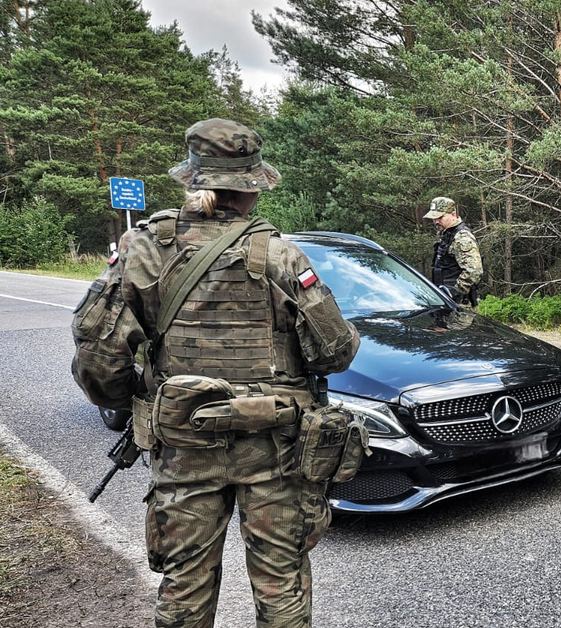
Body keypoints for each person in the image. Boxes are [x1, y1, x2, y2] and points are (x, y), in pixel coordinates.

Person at [71, 118, 360, 628]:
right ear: (251, 189)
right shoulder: (281, 254)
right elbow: (334, 352)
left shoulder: (143, 248)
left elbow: (98, 349)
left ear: (193, 179)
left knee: (183, 583)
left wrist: (138, 402)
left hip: (185, 446)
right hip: (276, 448)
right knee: (281, 581)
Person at [424, 196, 483, 307]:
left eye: (440, 217)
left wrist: (455, 292)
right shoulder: (447, 235)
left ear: (453, 215)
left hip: (459, 303)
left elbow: (474, 271)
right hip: (446, 300)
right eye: (434, 218)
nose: (436, 221)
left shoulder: (462, 237)